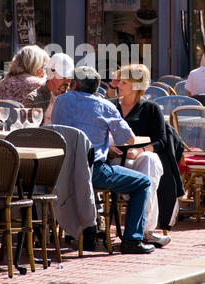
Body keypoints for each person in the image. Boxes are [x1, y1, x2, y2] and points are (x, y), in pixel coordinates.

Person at [50, 65, 155, 255]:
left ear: (74, 84)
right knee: (142, 182)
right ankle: (132, 240)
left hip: (61, 171)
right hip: (93, 172)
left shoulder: (60, 101)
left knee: (85, 178)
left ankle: (89, 233)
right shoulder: (104, 106)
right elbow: (128, 140)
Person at [107, 64, 170, 247]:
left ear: (136, 85)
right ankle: (143, 232)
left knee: (150, 161)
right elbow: (100, 136)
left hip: (140, 158)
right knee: (148, 167)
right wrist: (109, 148)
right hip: (116, 159)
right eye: (119, 80)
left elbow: (162, 141)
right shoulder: (111, 107)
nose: (118, 84)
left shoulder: (150, 108)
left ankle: (145, 230)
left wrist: (140, 151)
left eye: (124, 82)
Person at [24, 52, 74, 125]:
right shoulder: (33, 99)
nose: (67, 81)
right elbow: (30, 132)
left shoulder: (73, 97)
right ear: (50, 73)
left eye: (70, 77)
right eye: (63, 77)